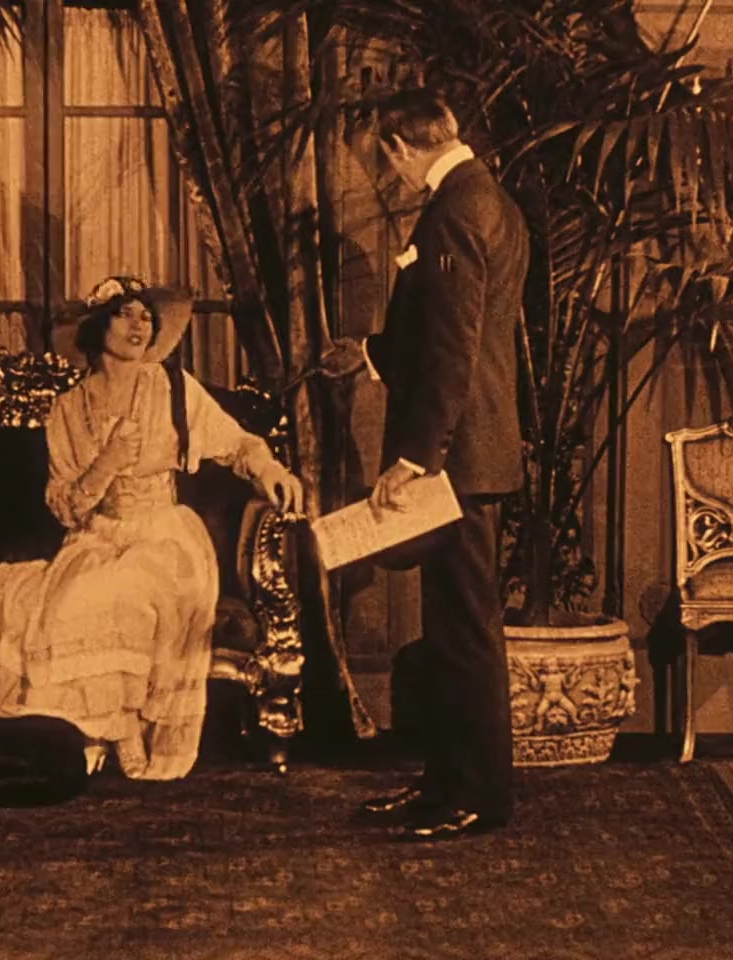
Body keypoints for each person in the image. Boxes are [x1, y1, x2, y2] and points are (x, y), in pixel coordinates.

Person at [0, 276, 304, 781]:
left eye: (146, 317)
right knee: (69, 599)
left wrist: (270, 469)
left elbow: (237, 444)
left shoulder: (173, 390)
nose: (138, 326)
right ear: (96, 328)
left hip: (166, 535)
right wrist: (106, 463)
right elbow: (67, 509)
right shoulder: (67, 409)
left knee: (131, 590)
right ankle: (105, 730)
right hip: (96, 536)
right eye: (124, 314)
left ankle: (122, 729)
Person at [322, 88, 530, 841]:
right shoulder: (486, 197)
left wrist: (415, 458)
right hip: (468, 452)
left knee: (467, 632)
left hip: (457, 460)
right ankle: (446, 782)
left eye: (386, 164)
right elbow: (449, 329)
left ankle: (478, 795)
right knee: (449, 629)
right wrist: (371, 352)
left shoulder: (455, 209)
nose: (391, 179)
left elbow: (454, 350)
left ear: (400, 147)